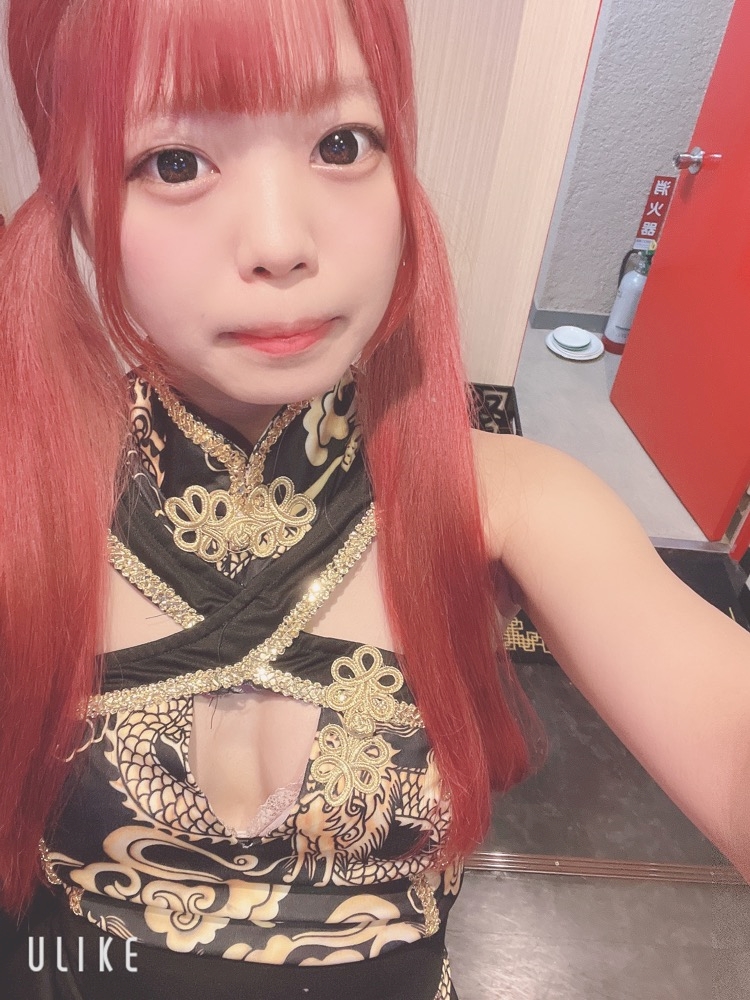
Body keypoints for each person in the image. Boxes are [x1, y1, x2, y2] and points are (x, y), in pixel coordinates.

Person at [0, 0, 748, 997]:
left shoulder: (511, 505)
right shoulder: (23, 508)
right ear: (77, 200)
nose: (281, 241)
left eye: (342, 144)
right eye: (175, 162)